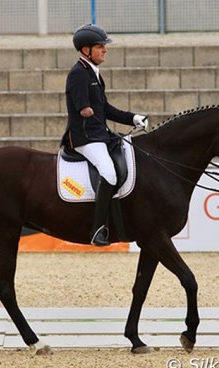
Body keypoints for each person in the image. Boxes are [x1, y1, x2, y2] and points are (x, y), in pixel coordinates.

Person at [61, 24, 148, 247]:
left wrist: (133, 118)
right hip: (84, 138)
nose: (105, 50)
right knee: (108, 173)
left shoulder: (94, 74)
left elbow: (105, 109)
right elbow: (83, 108)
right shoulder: (78, 74)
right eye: (100, 47)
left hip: (100, 134)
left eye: (104, 47)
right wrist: (85, 109)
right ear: (85, 49)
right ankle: (97, 229)